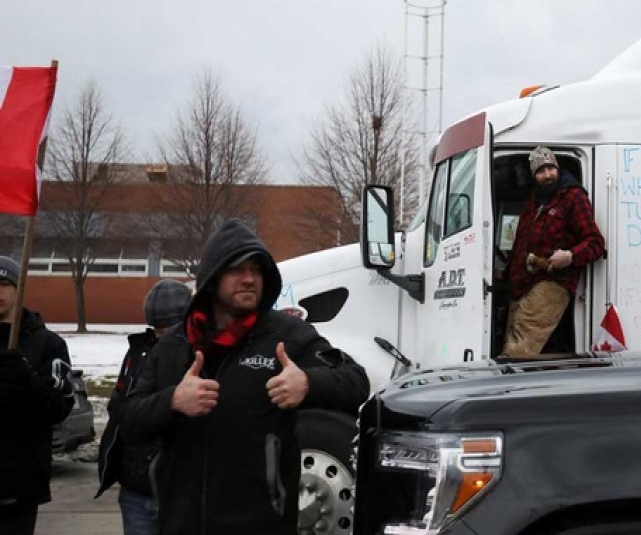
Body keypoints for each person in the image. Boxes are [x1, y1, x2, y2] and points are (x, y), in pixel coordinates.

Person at [119, 219, 369, 535]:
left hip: (262, 523)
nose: (250, 279)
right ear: (212, 278)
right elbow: (128, 420)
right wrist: (172, 401)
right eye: (237, 270)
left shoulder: (287, 336)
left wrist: (308, 383)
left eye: (257, 270)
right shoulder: (174, 346)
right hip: (181, 523)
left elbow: (356, 380)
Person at [95, 279, 192, 535]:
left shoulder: (199, 357)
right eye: (157, 327)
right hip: (136, 488)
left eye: (170, 327)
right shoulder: (138, 354)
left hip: (182, 489)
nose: (163, 335)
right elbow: (122, 409)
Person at [502, 147, 605, 356]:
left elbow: (596, 243)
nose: (547, 175)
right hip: (521, 284)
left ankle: (511, 388)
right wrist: (503, 275)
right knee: (511, 344)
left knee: (519, 352)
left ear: (557, 168)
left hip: (552, 283)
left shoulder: (573, 197)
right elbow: (520, 246)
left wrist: (570, 256)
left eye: (550, 168)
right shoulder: (533, 201)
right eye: (541, 171)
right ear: (534, 175)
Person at [0, 255, 74, 535]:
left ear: (19, 289)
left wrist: (26, 380)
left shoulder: (47, 344)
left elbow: (58, 408)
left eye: (5, 284)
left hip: (19, 484)